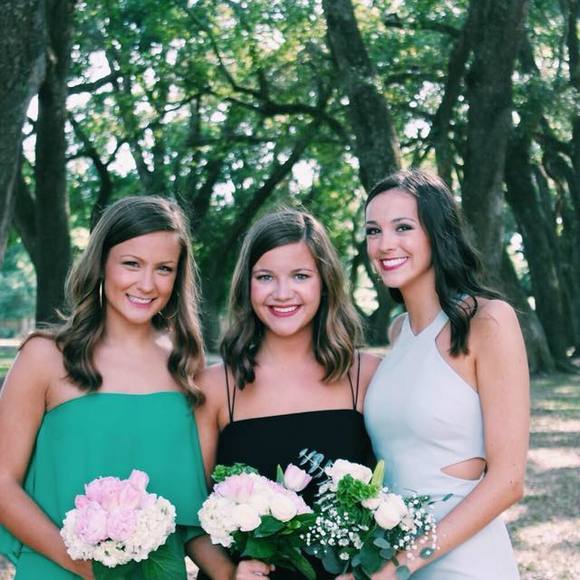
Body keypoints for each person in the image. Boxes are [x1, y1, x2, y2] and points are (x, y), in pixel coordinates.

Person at [0, 196, 233, 579]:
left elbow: (190, 511)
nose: (147, 284)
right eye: (131, 264)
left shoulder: (186, 366)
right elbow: (3, 484)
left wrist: (232, 574)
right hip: (59, 571)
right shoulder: (44, 357)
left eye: (164, 269)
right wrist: (86, 566)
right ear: (101, 263)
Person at [195, 208, 381, 579]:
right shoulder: (215, 386)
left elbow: (397, 498)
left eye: (300, 276)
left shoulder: (366, 376)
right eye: (265, 277)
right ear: (246, 286)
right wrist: (228, 573)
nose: (282, 293)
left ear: (325, 283)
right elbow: (191, 509)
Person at [362, 169, 529, 579]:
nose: (384, 244)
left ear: (438, 233)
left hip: (464, 563)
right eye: (373, 231)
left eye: (403, 227)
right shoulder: (397, 332)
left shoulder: (488, 321)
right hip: (393, 557)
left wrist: (399, 566)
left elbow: (508, 481)